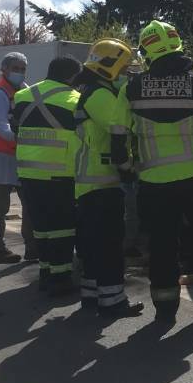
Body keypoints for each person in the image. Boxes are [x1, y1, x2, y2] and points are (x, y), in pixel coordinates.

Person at [110, 20, 193, 323]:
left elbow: (117, 138)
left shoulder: (131, 88)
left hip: (154, 182)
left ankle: (165, 307)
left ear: (146, 52)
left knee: (161, 243)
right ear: (178, 45)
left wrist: (127, 169)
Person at [72, 39, 144, 318]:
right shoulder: (101, 95)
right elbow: (124, 127)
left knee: (92, 243)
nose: (128, 72)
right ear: (109, 66)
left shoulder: (91, 90)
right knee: (110, 243)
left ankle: (91, 294)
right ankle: (112, 301)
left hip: (91, 182)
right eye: (125, 67)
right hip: (103, 181)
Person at [13, 57, 82, 296]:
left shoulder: (22, 97)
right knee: (62, 227)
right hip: (60, 172)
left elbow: (15, 129)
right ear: (72, 76)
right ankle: (60, 277)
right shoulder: (74, 100)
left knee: (41, 226)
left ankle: (45, 272)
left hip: (28, 171)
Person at [0, 53, 37, 264]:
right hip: (3, 156)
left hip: (24, 155)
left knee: (30, 203)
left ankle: (32, 247)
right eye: (16, 68)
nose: (20, 72)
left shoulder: (27, 89)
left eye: (23, 68)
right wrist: (18, 138)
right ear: (4, 69)